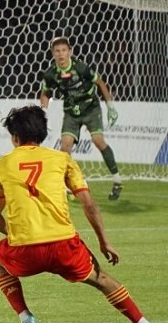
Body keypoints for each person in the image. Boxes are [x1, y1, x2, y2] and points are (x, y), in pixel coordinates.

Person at [0, 104, 155, 323]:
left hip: (24, 250)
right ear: (42, 134)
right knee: (101, 278)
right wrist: (104, 242)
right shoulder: (62, 159)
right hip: (64, 245)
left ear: (15, 137)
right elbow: (90, 206)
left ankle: (26, 318)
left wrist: (17, 234)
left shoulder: (3, 164)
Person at [39, 36, 123, 200]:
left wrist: (110, 107)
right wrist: (44, 113)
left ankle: (117, 179)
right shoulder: (51, 74)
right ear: (53, 54)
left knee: (98, 140)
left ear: (70, 52)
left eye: (64, 50)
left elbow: (100, 83)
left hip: (90, 108)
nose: (61, 54)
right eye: (57, 51)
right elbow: (45, 94)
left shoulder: (81, 68)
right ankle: (71, 185)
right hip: (71, 112)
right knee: (65, 147)